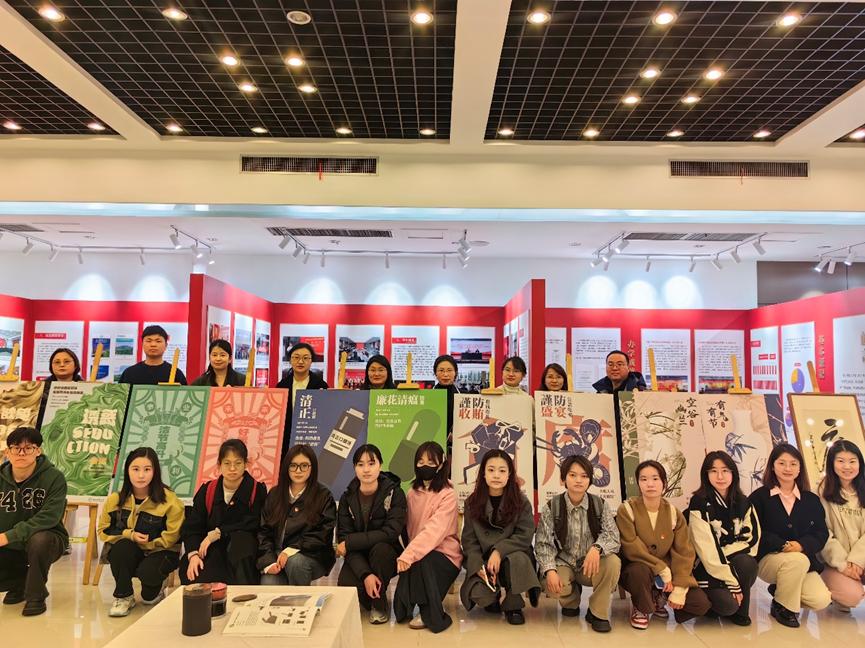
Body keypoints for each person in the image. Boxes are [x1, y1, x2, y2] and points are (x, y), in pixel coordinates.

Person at [617, 460, 710, 629]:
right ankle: (642, 607)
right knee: (638, 572)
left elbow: (684, 551)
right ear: (638, 483)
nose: (650, 484)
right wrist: (661, 568)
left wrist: (680, 587)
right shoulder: (627, 509)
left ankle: (660, 599)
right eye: (644, 479)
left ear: (664, 483)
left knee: (700, 604)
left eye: (655, 478)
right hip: (638, 569)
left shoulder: (674, 513)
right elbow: (631, 546)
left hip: (668, 574)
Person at [535, 455, 621, 632]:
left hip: (590, 565)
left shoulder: (600, 504)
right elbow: (543, 544)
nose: (578, 480)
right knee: (553, 585)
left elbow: (613, 536)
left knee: (613, 562)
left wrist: (597, 548)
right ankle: (571, 600)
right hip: (563, 562)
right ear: (563, 479)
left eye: (584, 476)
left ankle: (597, 611)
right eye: (572, 475)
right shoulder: (552, 507)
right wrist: (550, 570)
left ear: (590, 480)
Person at [750, 443, 831, 627]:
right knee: (798, 560)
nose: (788, 468)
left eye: (793, 464)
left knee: (820, 600)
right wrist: (783, 544)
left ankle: (782, 589)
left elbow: (821, 532)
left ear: (800, 468)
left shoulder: (811, 500)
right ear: (772, 466)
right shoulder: (759, 497)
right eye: (782, 463)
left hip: (802, 558)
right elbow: (754, 531)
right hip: (769, 559)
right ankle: (784, 608)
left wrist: (802, 545)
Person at [98, 447, 185, 617]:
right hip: (131, 551)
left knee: (148, 597)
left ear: (155, 472)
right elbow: (103, 530)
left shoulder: (169, 501)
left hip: (160, 551)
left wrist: (149, 543)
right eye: (135, 469)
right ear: (127, 471)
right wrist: (129, 535)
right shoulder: (115, 499)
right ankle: (124, 596)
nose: (141, 475)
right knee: (121, 548)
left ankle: (156, 586)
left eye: (147, 469)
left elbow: (172, 537)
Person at [461, 449, 540, 625]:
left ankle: (514, 605)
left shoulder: (521, 501)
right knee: (481, 596)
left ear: (509, 474)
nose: (496, 475)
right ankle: (493, 595)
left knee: (517, 559)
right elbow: (469, 541)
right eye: (491, 470)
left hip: (513, 556)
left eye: (502, 470)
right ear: (483, 473)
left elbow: (525, 535)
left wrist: (499, 551)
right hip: (484, 559)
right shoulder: (472, 503)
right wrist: (478, 566)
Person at [685, 451, 760, 626]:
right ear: (706, 475)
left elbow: (751, 541)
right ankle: (714, 606)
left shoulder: (744, 502)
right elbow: (705, 549)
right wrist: (732, 581)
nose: (720, 476)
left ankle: (741, 612)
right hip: (707, 566)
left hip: (732, 562)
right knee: (728, 606)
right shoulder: (699, 502)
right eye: (713, 471)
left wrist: (724, 554)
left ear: (733, 473)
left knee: (747, 562)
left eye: (725, 470)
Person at [393, 441, 461, 633]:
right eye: (420, 462)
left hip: (445, 556)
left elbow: (434, 531)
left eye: (431, 462)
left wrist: (409, 555)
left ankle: (429, 612)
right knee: (400, 611)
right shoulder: (411, 493)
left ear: (441, 465)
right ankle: (413, 605)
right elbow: (406, 528)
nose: (425, 466)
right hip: (418, 553)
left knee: (425, 561)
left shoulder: (448, 494)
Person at [0, 427, 68, 617]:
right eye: (16, 448)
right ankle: (18, 583)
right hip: (9, 541)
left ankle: (36, 596)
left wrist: (9, 536)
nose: (21, 453)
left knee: (39, 540)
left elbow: (49, 516)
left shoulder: (54, 478)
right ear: (7, 452)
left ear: (38, 451)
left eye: (28, 448)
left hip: (48, 539)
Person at [179, 439, 267, 585]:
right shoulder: (208, 490)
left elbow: (254, 523)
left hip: (243, 553)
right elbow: (192, 526)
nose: (232, 468)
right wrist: (193, 554)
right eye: (227, 463)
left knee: (241, 549)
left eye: (238, 463)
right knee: (196, 575)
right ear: (219, 465)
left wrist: (219, 532)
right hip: (210, 550)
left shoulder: (257, 491)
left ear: (246, 464)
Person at [336, 444, 407, 624]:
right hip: (358, 554)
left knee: (380, 550)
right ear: (354, 468)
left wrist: (351, 542)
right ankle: (371, 593)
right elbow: (344, 539)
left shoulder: (395, 493)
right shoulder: (347, 498)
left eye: (371, 463)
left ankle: (379, 604)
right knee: (346, 584)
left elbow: (390, 532)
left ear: (380, 465)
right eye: (360, 464)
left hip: (387, 554)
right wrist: (366, 574)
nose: (366, 469)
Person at [258, 445, 336, 585]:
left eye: (304, 466)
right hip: (277, 554)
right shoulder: (275, 494)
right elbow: (264, 531)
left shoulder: (323, 496)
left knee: (295, 563)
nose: (298, 471)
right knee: (269, 581)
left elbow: (322, 534)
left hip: (311, 555)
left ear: (312, 467)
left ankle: (301, 599)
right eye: (293, 465)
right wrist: (268, 561)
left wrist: (291, 550)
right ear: (286, 467)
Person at [818, 440, 865, 613]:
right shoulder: (821, 491)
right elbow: (823, 533)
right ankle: (831, 588)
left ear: (860, 463)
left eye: (852, 461)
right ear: (832, 463)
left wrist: (857, 560)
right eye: (840, 461)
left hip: (861, 559)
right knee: (851, 596)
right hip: (834, 562)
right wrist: (844, 565)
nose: (847, 466)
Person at [276, 341, 328, 458]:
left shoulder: (320, 385)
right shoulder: (281, 386)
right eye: (296, 357)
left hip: (312, 438)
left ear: (311, 361)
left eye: (305, 358)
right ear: (290, 360)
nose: (300, 362)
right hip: (286, 440)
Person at [119, 325, 187, 385]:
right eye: (149, 341)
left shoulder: (176, 374)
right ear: (142, 344)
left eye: (158, 341)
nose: (153, 344)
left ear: (166, 345)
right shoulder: (129, 373)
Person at [36, 348, 83, 427]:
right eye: (57, 362)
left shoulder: (86, 388)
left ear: (75, 365)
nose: (62, 365)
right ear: (51, 366)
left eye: (66, 361)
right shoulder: (39, 389)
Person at [432, 355, 461, 452]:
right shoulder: (429, 396)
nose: (445, 374)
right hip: (434, 444)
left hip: (458, 445)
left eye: (449, 370)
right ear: (435, 373)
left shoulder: (463, 395)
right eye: (441, 370)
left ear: (455, 372)